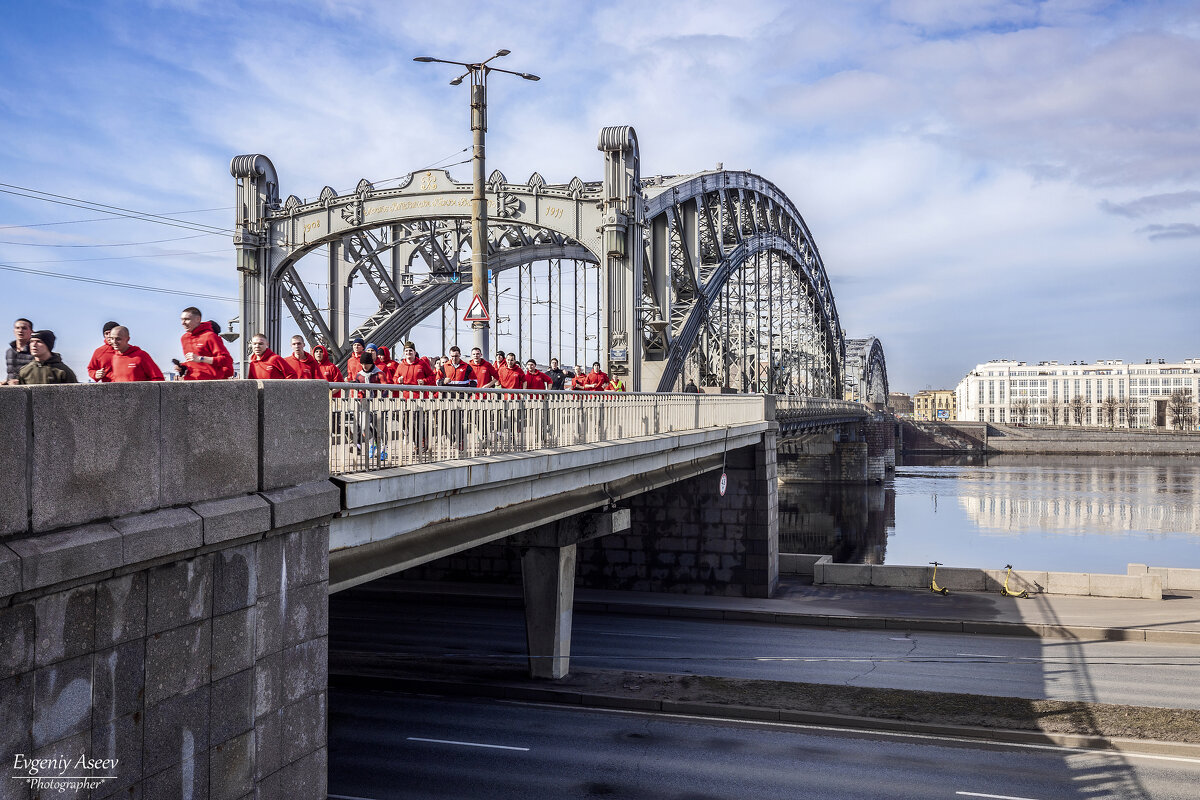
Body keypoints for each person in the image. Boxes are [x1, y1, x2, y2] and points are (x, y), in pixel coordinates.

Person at [178, 307, 233, 380]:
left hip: (209, 384)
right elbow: (193, 362)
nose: (183, 323)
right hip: (191, 382)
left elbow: (227, 360)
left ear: (198, 319)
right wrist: (182, 367)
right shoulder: (184, 338)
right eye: (182, 319)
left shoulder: (210, 336)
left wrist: (201, 358)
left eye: (187, 319)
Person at [6, 318, 34, 385]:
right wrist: (7, 382)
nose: (20, 331)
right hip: (11, 389)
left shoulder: (34, 350)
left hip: (29, 389)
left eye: (24, 328)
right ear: (14, 331)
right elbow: (10, 373)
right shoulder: (9, 351)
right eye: (17, 328)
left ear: (31, 332)